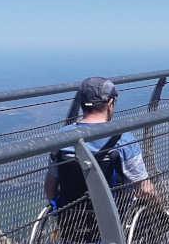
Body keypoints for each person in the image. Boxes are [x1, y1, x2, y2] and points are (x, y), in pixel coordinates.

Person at [44, 76, 161, 209]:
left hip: (71, 219)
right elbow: (145, 189)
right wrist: (158, 207)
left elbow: (50, 187)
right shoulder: (123, 139)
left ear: (82, 103)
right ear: (110, 103)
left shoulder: (62, 137)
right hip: (115, 217)